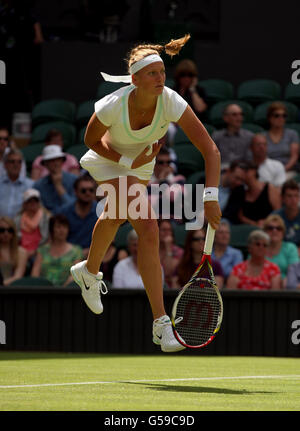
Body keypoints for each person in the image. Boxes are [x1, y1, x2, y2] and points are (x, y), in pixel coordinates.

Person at [69, 34, 222, 353]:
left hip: (140, 167)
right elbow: (91, 141)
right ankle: (161, 325)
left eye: (162, 72)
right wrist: (126, 160)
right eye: (152, 73)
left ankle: (88, 271)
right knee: (149, 228)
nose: (160, 78)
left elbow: (210, 150)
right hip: (109, 160)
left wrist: (209, 197)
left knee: (116, 215)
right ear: (134, 78)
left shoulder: (171, 101)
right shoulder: (112, 106)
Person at [31, 214, 84, 286]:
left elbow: (76, 275)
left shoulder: (76, 251)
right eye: (58, 227)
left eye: (65, 227)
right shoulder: (42, 250)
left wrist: (62, 290)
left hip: (67, 292)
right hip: (43, 291)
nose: (62, 230)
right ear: (52, 229)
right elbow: (35, 274)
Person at [56, 174, 99, 258]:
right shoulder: (64, 212)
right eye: (83, 190)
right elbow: (57, 238)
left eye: (91, 190)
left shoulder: (102, 212)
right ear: (75, 192)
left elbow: (107, 240)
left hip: (94, 255)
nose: (88, 193)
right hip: (67, 256)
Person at [33, 145, 77, 214]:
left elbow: (74, 208)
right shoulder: (39, 185)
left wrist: (58, 186)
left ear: (62, 161)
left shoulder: (74, 180)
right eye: (51, 161)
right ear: (45, 164)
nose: (55, 163)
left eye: (58, 159)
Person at [147, 147, 186, 222]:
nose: (165, 165)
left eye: (168, 162)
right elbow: (149, 203)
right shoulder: (146, 182)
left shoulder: (179, 179)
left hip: (173, 222)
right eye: (161, 162)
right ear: (154, 164)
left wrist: (163, 180)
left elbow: (174, 198)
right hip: (152, 221)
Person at [238, 161, 281, 227]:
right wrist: (255, 224)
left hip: (270, 228)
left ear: (254, 171)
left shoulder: (269, 188)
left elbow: (278, 211)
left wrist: (266, 222)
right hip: (250, 230)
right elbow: (240, 216)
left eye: (246, 170)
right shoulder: (242, 193)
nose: (243, 174)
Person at [211, 103, 254, 170]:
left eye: (241, 114)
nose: (239, 117)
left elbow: (250, 159)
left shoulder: (249, 136)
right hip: (221, 171)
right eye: (234, 114)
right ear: (226, 118)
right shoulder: (217, 136)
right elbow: (212, 159)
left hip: (242, 171)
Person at [263, 102, 300, 177]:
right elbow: (262, 157)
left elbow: (294, 157)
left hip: (288, 171)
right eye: (277, 116)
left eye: (284, 116)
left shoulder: (292, 134)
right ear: (269, 118)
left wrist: (282, 170)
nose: (281, 118)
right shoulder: (262, 136)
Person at [263, 214, 299, 286]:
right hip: (262, 285)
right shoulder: (258, 246)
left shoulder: (290, 248)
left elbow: (294, 272)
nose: (274, 231)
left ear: (283, 232)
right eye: (270, 228)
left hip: (284, 287)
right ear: (264, 231)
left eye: (279, 228)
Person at [14, 189, 50, 259]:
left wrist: (35, 251)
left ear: (39, 203)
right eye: (29, 201)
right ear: (24, 204)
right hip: (20, 253)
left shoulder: (46, 218)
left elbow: (48, 239)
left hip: (41, 253)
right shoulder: (17, 219)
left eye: (35, 201)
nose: (33, 203)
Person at [0, 149, 33, 218]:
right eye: (12, 162)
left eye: (19, 162)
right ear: (5, 165)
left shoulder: (30, 185)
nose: (16, 165)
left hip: (21, 226)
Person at [0, 216, 28, 286]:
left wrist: (2, 285)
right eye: (2, 230)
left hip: (13, 289)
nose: (6, 233)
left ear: (14, 233)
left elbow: (18, 277)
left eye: (10, 230)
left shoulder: (21, 252)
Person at [273, 179, 300, 248]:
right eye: (289, 196)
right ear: (282, 198)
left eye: (296, 196)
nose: (293, 200)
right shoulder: (275, 217)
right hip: (280, 253)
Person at [158, 219, 184, 289]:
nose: (167, 233)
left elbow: (168, 272)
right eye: (164, 230)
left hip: (171, 289)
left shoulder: (179, 251)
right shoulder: (152, 250)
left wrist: (168, 248)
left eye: (169, 230)